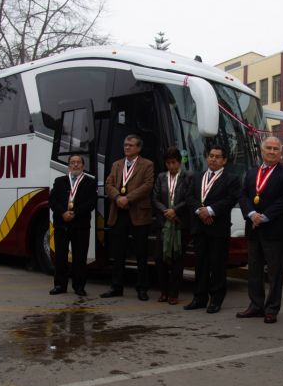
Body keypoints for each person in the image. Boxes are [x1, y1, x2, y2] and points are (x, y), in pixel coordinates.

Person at [236, 136, 283, 324]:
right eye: (268, 148)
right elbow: (243, 196)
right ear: (262, 152)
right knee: (253, 270)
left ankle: (271, 309)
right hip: (253, 229)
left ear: (281, 153)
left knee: (274, 272)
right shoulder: (251, 173)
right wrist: (251, 214)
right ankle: (256, 305)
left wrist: (263, 217)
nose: (271, 151)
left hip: (274, 230)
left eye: (275, 149)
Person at [184, 145, 240, 314]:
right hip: (200, 228)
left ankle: (216, 299)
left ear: (224, 161)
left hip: (218, 229)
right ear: (207, 158)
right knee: (200, 265)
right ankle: (199, 298)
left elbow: (231, 199)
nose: (213, 159)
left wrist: (209, 211)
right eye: (211, 156)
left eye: (217, 156)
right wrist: (200, 211)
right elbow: (189, 197)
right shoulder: (197, 177)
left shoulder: (231, 179)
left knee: (217, 265)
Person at [101, 134, 155, 301]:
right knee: (118, 252)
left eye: (130, 145)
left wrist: (128, 198)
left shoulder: (147, 164)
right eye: (125, 145)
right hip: (119, 212)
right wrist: (118, 197)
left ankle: (142, 288)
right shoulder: (117, 164)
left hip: (138, 212)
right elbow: (108, 184)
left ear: (138, 148)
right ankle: (116, 286)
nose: (126, 147)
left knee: (141, 252)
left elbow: (148, 185)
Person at [48, 154, 98, 297]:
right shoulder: (59, 181)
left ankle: (79, 286)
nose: (75, 165)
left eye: (78, 162)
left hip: (80, 225)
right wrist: (63, 213)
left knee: (80, 258)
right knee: (60, 256)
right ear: (68, 166)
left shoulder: (90, 182)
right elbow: (52, 201)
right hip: (61, 225)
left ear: (83, 166)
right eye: (72, 162)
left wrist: (74, 213)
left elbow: (91, 203)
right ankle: (59, 285)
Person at [152, 146, 192, 305]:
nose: (171, 166)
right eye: (168, 163)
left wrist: (175, 211)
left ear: (179, 162)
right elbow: (154, 198)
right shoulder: (161, 177)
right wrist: (166, 211)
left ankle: (174, 293)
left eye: (174, 162)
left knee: (177, 260)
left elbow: (189, 198)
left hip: (179, 224)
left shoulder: (187, 177)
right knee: (159, 258)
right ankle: (163, 291)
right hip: (163, 223)